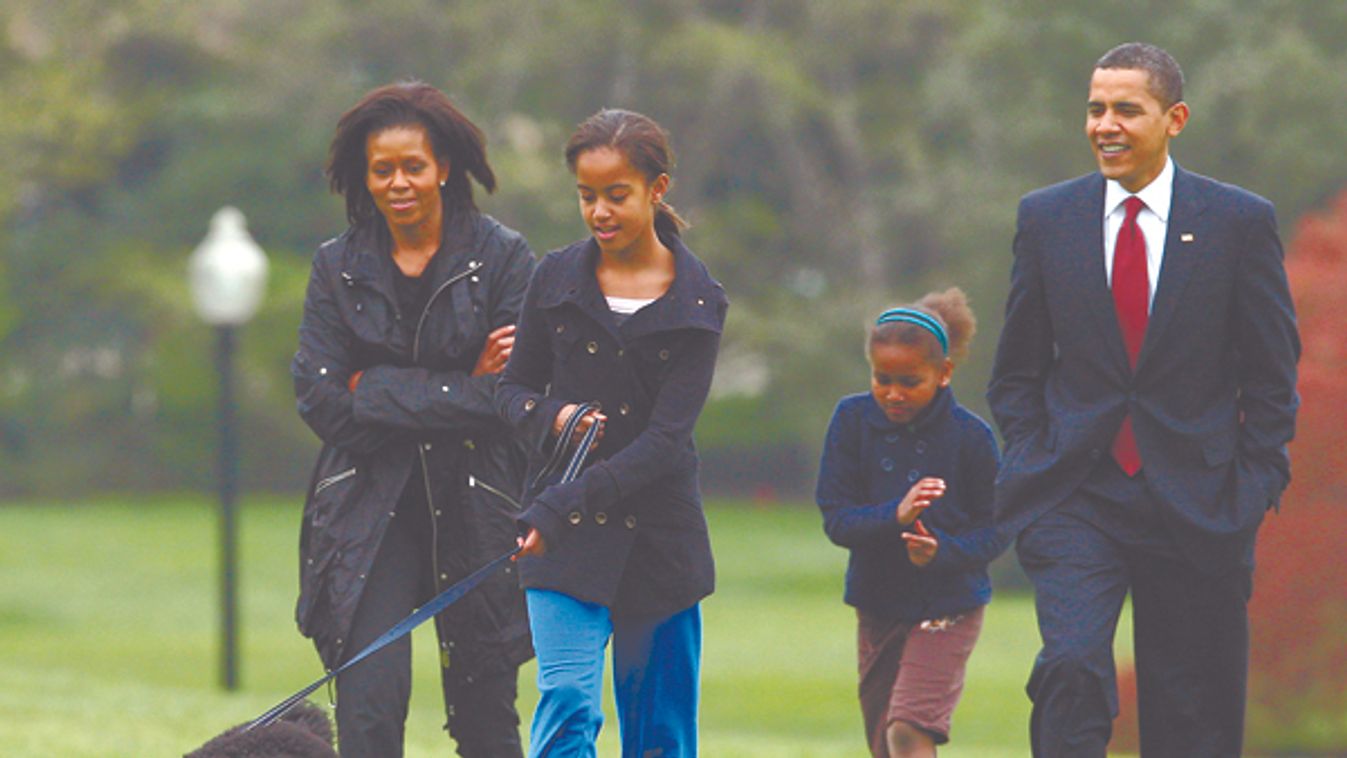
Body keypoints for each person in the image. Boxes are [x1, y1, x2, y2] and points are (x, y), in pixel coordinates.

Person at [987, 42, 1300, 757]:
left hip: (1200, 501)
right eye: (1095, 109)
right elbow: (1015, 372)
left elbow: (1271, 373)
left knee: (1192, 713)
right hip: (1075, 494)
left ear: (1174, 118)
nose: (1105, 124)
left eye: (1126, 109)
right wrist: (1032, 463)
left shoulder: (1237, 222)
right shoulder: (1046, 219)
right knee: (1069, 666)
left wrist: (1252, 485)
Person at [291, 81, 537, 758]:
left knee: (487, 722)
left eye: (413, 166)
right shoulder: (335, 267)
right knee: (368, 717)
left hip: (480, 508)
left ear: (444, 168)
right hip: (364, 512)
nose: (398, 183)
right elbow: (320, 398)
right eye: (382, 169)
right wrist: (466, 388)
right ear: (364, 177)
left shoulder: (505, 258)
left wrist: (376, 387)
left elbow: (517, 397)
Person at [495, 108, 727, 757]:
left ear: (656, 189)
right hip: (562, 541)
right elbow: (509, 393)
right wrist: (554, 418)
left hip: (658, 542)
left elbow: (664, 443)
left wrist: (559, 503)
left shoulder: (699, 303)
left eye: (615, 195)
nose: (599, 210)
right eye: (586, 195)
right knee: (566, 702)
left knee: (660, 737)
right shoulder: (552, 279)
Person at [815, 290, 1003, 757]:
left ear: (944, 374)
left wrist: (942, 553)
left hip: (949, 605)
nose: (893, 393)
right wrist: (893, 516)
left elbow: (996, 529)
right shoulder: (851, 420)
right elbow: (837, 519)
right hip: (878, 605)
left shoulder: (972, 437)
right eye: (882, 379)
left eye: (910, 381)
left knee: (908, 728)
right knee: (885, 743)